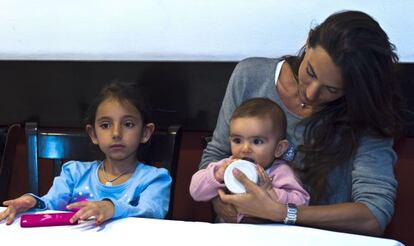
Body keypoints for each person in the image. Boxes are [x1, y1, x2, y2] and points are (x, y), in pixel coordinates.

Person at [200, 10, 403, 236]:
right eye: (310, 72)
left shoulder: (365, 113)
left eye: (332, 89)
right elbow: (216, 154)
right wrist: (222, 203)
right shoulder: (251, 77)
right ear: (307, 43)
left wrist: (280, 212)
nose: (311, 92)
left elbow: (374, 214)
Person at [0, 81, 172, 225]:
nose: (116, 133)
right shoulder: (74, 173)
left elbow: (152, 214)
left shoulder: (154, 179)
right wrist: (32, 202)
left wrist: (111, 207)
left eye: (128, 124)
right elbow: (51, 204)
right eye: (105, 125)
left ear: (145, 133)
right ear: (93, 134)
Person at [190, 98, 309, 223]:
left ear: (279, 148)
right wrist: (217, 175)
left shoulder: (280, 172)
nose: (245, 149)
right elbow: (195, 192)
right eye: (237, 140)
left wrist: (270, 192)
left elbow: (302, 203)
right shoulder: (227, 166)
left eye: (257, 141)